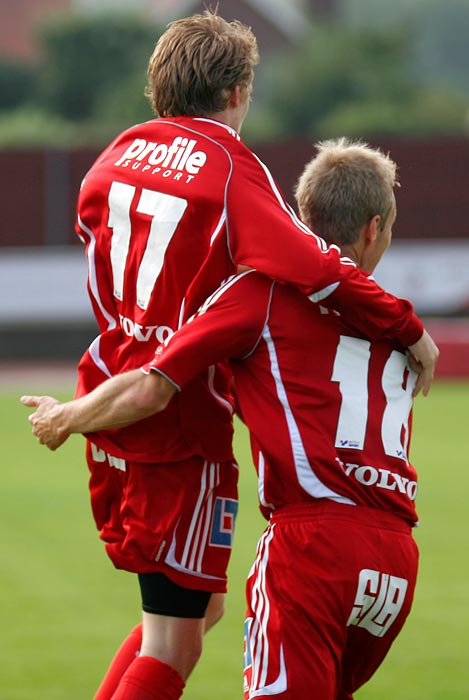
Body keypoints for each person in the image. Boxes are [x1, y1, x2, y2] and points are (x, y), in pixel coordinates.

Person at [24, 137, 430, 699]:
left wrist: (69, 416)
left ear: (300, 221)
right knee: (192, 619)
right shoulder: (395, 322)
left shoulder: (261, 294)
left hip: (311, 543)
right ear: (373, 229)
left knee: (172, 638)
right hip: (394, 561)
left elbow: (152, 385)